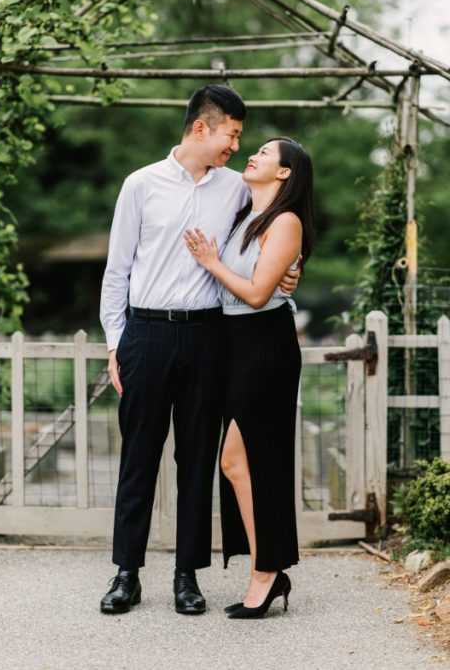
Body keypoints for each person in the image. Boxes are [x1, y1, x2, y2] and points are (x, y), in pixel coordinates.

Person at [98, 85, 299, 615]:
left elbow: (271, 237)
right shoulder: (140, 185)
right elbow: (116, 271)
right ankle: (126, 574)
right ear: (201, 129)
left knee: (197, 460)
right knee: (138, 458)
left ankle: (187, 576)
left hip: (210, 338)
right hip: (145, 335)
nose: (238, 145)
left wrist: (291, 273)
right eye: (233, 134)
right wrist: (117, 345)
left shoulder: (237, 189)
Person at [184, 136, 315, 619]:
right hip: (234, 343)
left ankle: (266, 571)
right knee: (240, 464)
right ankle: (269, 567)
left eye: (264, 153)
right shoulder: (246, 214)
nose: (252, 155)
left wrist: (212, 263)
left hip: (265, 345)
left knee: (242, 458)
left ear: (284, 174)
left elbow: (260, 294)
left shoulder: (286, 220)